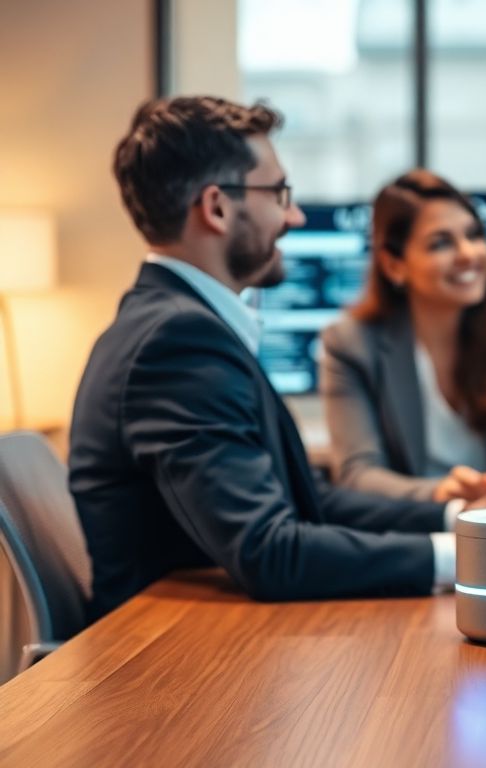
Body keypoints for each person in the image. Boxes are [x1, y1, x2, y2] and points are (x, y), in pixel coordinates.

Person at [68, 97, 458, 621]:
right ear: (217, 208)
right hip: (167, 666)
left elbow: (306, 500)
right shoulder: (177, 343)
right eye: (279, 192)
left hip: (209, 640)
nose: (293, 215)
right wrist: (466, 559)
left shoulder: (183, 325)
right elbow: (269, 552)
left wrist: (456, 519)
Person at [319, 169, 486, 510]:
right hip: (412, 538)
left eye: (474, 235)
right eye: (441, 243)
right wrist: (441, 495)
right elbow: (356, 475)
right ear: (394, 266)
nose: (469, 254)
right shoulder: (352, 343)